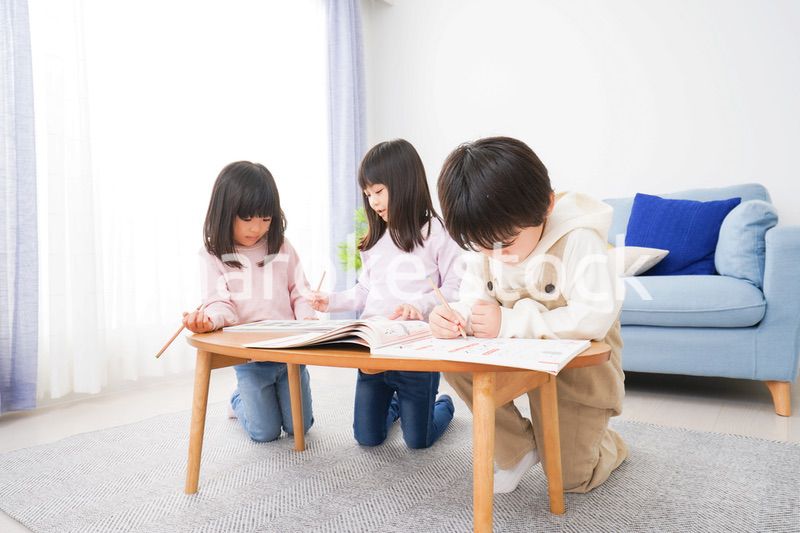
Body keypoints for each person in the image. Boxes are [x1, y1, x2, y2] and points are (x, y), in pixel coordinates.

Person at [430, 136, 627, 494]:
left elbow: (593, 318)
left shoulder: (579, 239)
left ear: (547, 205)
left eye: (507, 241)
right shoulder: (489, 246)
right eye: (481, 244)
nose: (497, 254)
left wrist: (509, 321)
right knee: (449, 358)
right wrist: (453, 316)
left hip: (576, 374)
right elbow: (472, 297)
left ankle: (609, 444)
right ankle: (520, 447)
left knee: (570, 480)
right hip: (517, 359)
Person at [312, 139, 462, 449]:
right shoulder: (374, 240)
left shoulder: (436, 232)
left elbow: (453, 290)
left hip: (416, 350)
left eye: (379, 191)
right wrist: (332, 301)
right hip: (375, 350)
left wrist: (419, 305)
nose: (374, 202)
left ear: (405, 183)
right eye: (368, 195)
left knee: (418, 441)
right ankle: (399, 408)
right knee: (367, 438)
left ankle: (442, 404)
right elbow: (366, 291)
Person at [183, 161, 315, 443]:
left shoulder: (280, 245)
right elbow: (220, 304)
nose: (257, 228)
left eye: (266, 219)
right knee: (264, 432)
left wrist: (308, 321)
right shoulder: (212, 255)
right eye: (248, 218)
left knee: (300, 427)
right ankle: (238, 399)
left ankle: (270, 400)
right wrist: (210, 320)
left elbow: (300, 291)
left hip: (290, 352)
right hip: (250, 358)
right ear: (225, 212)